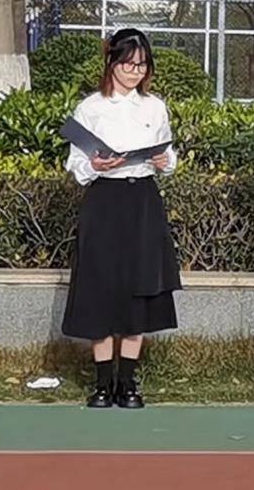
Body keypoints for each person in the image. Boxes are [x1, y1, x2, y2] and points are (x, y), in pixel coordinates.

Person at [62, 28, 181, 410]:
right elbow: (76, 162)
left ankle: (127, 381)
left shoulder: (154, 107)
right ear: (111, 62)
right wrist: (95, 165)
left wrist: (164, 160)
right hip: (104, 200)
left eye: (141, 66)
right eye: (128, 64)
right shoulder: (91, 107)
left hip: (142, 199)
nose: (134, 72)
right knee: (100, 286)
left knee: (139, 285)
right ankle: (102, 383)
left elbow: (168, 155)